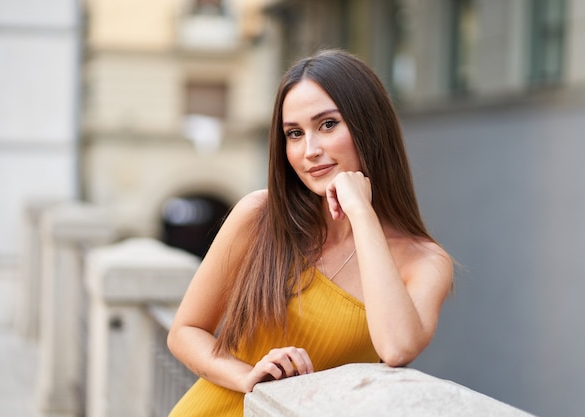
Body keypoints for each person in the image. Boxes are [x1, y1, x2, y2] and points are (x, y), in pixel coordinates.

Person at [167, 49, 453, 416]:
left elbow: (397, 347)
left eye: (328, 125)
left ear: (370, 127)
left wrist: (361, 214)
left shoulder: (425, 262)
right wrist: (247, 376)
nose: (310, 151)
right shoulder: (260, 217)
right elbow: (185, 330)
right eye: (294, 133)